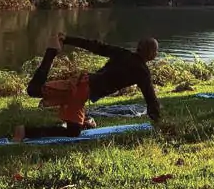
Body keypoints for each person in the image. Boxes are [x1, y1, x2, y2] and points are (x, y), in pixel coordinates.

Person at [12, 32, 160, 142]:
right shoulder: (143, 72)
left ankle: (26, 131)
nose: (156, 54)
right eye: (156, 51)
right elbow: (150, 98)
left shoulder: (124, 54)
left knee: (73, 131)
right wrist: (157, 121)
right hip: (79, 89)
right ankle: (51, 51)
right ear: (151, 53)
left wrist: (69, 39)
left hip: (82, 87)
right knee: (34, 90)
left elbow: (96, 46)